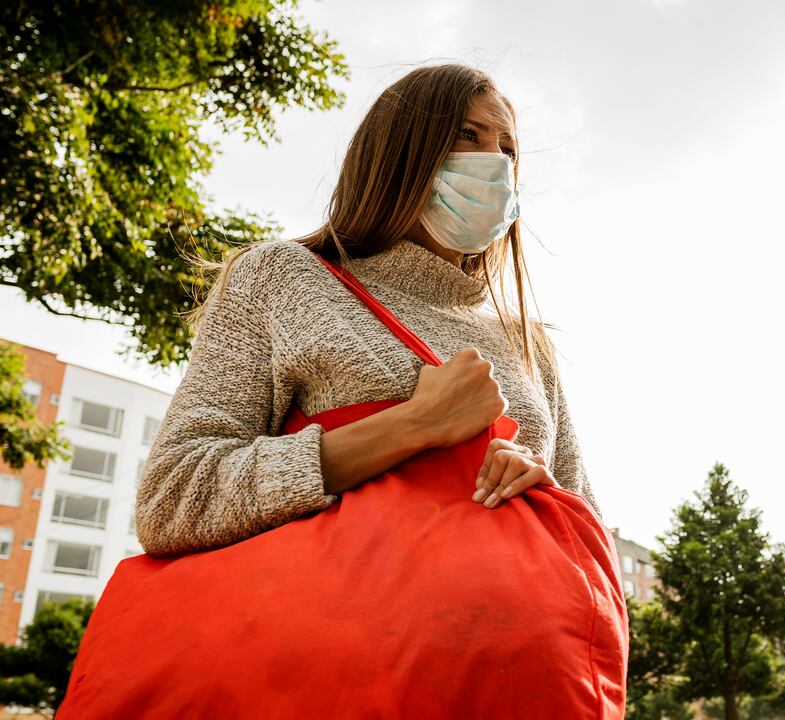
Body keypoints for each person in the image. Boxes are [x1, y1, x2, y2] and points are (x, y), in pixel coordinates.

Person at [57, 63, 627, 719]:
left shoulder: (528, 341)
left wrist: (537, 487)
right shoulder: (283, 278)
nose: (493, 163)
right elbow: (174, 499)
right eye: (468, 136)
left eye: (508, 148)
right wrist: (414, 427)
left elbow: (591, 548)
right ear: (399, 153)